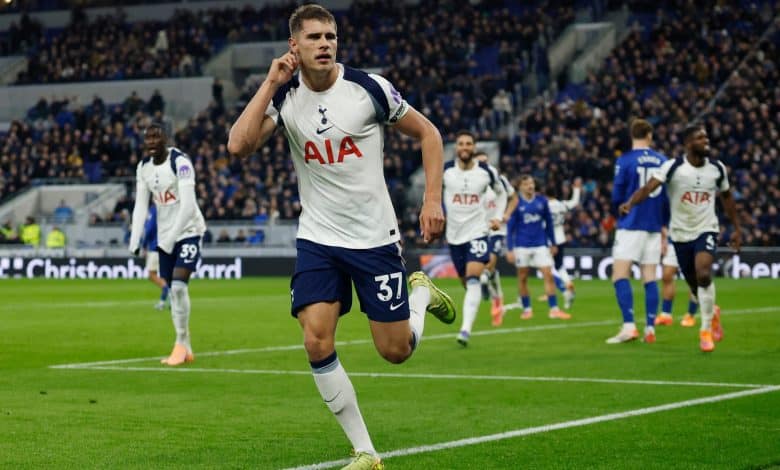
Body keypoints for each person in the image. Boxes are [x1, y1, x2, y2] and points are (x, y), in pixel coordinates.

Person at [227, 5, 455, 469]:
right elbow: (239, 145)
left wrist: (433, 200)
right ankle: (366, 452)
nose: (325, 44)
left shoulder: (368, 88)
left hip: (374, 238)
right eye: (313, 37)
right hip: (318, 238)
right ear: (295, 46)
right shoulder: (285, 95)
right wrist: (270, 83)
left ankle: (419, 298)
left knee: (394, 351)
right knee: (315, 341)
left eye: (330, 36)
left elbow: (429, 134)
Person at [620, 123, 741, 352]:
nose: (706, 141)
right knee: (695, 286)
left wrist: (737, 228)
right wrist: (630, 203)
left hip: (706, 228)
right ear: (688, 143)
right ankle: (712, 311)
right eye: (700, 138)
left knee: (704, 274)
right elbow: (648, 188)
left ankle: (705, 330)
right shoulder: (673, 167)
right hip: (680, 233)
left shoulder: (717, 168)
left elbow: (727, 198)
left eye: (707, 137)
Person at [129, 122, 206, 366]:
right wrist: (134, 238)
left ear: (166, 139)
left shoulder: (180, 162)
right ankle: (186, 346)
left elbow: (188, 204)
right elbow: (141, 205)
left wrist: (172, 238)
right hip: (164, 237)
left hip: (188, 231)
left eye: (156, 137)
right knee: (173, 290)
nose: (151, 142)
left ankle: (180, 344)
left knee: (179, 286)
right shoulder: (143, 168)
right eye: (147, 138)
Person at [607, 119, 667, 345]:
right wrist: (664, 225)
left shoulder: (625, 160)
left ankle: (629, 326)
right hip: (653, 224)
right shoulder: (662, 160)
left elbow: (616, 195)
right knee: (649, 276)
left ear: (632, 135)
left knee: (620, 274)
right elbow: (667, 197)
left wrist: (619, 211)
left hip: (631, 223)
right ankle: (650, 328)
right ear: (649, 135)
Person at [444, 133, 507, 346]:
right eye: (461, 143)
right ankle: (486, 284)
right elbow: (431, 192)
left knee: (472, 279)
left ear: (474, 147)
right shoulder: (446, 171)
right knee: (466, 281)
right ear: (456, 148)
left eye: (468, 144)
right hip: (454, 236)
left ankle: (465, 331)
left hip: (478, 232)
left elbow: (503, 193)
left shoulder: (486, 172)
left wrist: (498, 216)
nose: (464, 147)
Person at [504, 175, 571, 321]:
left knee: (548, 274)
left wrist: (552, 243)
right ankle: (527, 309)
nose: (530, 186)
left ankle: (554, 309)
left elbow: (549, 224)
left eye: (532, 183)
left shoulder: (542, 201)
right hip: (522, 245)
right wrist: (509, 249)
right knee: (522, 277)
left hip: (540, 244)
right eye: (526, 184)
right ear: (520, 187)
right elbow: (510, 228)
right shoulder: (516, 203)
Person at [475, 151, 515, 327]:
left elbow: (513, 198)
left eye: (485, 161)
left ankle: (485, 280)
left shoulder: (499, 180)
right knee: (487, 269)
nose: (483, 165)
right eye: (480, 162)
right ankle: (497, 300)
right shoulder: (472, 182)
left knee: (490, 259)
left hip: (498, 228)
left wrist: (505, 214)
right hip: (478, 229)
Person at [543, 177, 582, 309]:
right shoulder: (561, 205)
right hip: (561, 239)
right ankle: (568, 282)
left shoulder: (544, 206)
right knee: (559, 266)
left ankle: (563, 289)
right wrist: (576, 189)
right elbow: (575, 202)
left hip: (548, 240)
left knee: (546, 267)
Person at [656, 237, 699, 327]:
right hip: (674, 240)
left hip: (694, 240)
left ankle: (690, 315)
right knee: (667, 276)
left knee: (693, 279)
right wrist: (664, 240)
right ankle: (666, 314)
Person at [142, 203, 170, 311]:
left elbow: (149, 228)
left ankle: (168, 292)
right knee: (163, 275)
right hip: (167, 246)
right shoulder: (168, 209)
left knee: (151, 275)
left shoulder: (154, 210)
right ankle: (163, 302)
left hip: (155, 247)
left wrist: (144, 245)